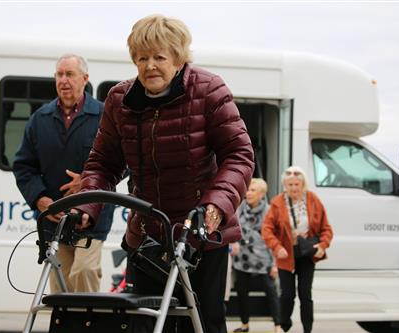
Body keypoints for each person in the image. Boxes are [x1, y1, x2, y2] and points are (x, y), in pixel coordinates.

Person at [74, 14, 254, 333]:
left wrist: (216, 204)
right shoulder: (120, 99)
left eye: (159, 57)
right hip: (147, 236)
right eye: (142, 58)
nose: (150, 66)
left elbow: (238, 155)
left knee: (203, 323)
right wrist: (86, 207)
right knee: (143, 322)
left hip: (200, 235)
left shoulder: (209, 90)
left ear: (178, 58)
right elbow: (103, 164)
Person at [12, 54, 115, 293]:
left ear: (85, 79)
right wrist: (40, 199)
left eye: (70, 74)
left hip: (92, 216)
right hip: (54, 218)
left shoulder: (105, 116)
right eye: (59, 74)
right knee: (60, 286)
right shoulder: (40, 119)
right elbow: (23, 167)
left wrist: (86, 180)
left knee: (84, 272)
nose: (63, 80)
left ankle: (89, 325)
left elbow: (124, 163)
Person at [262, 166, 333, 333]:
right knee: (287, 295)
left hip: (307, 254)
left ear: (303, 184)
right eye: (290, 184)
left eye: (296, 184)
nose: (293, 188)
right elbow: (266, 229)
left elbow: (327, 228)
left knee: (305, 295)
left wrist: (323, 245)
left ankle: (308, 329)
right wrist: (276, 246)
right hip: (286, 254)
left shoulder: (313, 200)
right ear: (285, 185)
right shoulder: (277, 202)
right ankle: (283, 326)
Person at [231, 178, 281, 333]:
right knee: (242, 293)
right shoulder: (239, 209)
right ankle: (245, 325)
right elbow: (233, 228)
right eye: (248, 190)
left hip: (263, 258)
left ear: (261, 194)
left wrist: (275, 264)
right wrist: (233, 242)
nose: (248, 193)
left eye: (253, 190)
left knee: (271, 292)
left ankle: (278, 326)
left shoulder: (269, 211)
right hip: (242, 258)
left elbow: (276, 238)